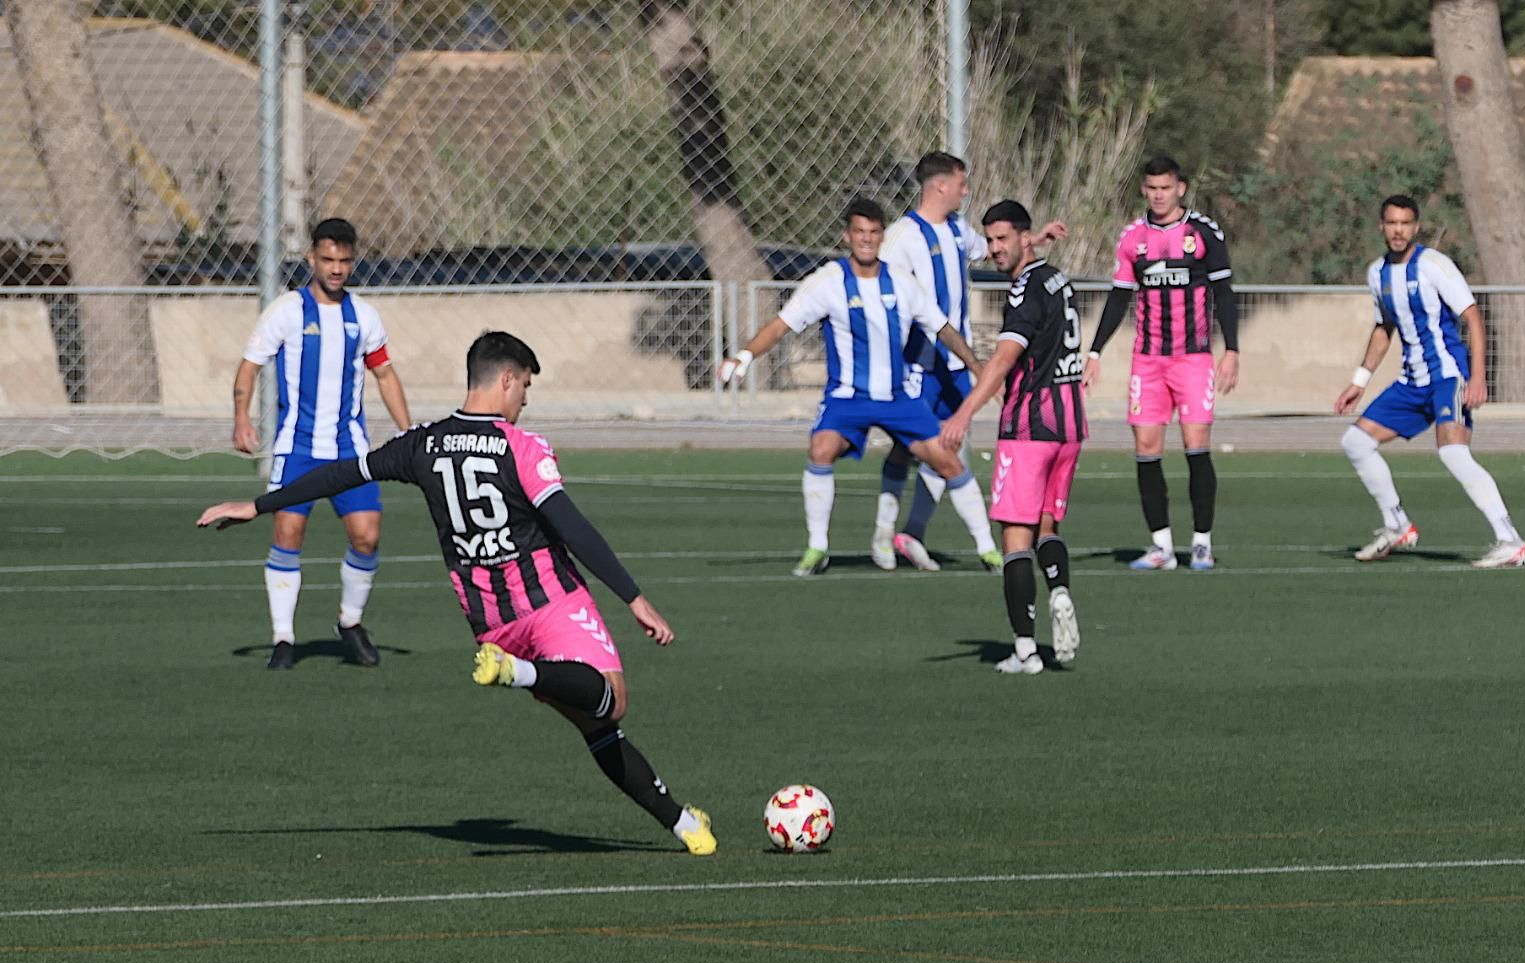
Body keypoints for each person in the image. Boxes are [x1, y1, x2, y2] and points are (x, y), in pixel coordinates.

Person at [199, 331, 718, 856]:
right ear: (507, 379)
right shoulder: (523, 447)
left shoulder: (421, 444)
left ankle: (683, 825)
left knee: (594, 724)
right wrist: (633, 596)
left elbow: (340, 473)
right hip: (550, 601)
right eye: (526, 387)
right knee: (611, 702)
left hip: (492, 622)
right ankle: (522, 674)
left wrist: (259, 505)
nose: (525, 400)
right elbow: (571, 525)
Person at [719, 197, 998, 576]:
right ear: (846, 236)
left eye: (873, 232)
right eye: (859, 232)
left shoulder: (902, 283)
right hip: (847, 398)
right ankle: (817, 548)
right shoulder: (827, 282)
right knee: (821, 448)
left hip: (898, 397)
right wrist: (745, 356)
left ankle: (988, 550)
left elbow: (943, 328)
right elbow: (780, 325)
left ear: (882, 236)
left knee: (949, 460)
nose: (866, 239)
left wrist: (978, 367)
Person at [232, 218, 413, 670]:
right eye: (327, 260)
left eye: (344, 261)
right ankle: (283, 639)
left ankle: (349, 622)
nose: (336, 269)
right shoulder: (287, 311)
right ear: (312, 258)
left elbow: (385, 373)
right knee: (288, 534)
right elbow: (250, 366)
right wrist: (241, 418)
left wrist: (408, 432)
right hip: (297, 450)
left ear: (353, 262)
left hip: (350, 451)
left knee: (367, 537)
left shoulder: (364, 317)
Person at [873, 152, 1065, 573]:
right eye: (962, 182)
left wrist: (1038, 237)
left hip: (957, 364)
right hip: (918, 363)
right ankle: (884, 536)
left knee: (950, 446)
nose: (967, 189)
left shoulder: (959, 228)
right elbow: (881, 294)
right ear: (941, 185)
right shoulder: (903, 236)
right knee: (909, 450)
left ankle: (913, 534)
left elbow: (995, 247)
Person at [1332, 194, 1525, 569]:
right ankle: (1397, 525)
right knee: (1355, 442)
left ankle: (1511, 540)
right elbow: (1383, 328)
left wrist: (1477, 377)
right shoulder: (1377, 273)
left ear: (1415, 227)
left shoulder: (1434, 265)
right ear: (1382, 227)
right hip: (1411, 382)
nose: (1398, 230)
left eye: (1405, 223)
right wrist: (1360, 380)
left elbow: (1472, 317)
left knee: (1454, 453)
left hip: (1448, 377)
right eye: (1391, 223)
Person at [941, 201, 1086, 675]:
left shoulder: (1024, 292)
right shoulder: (1056, 278)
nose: (994, 248)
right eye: (991, 240)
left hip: (1029, 427)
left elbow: (1004, 358)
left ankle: (1025, 651)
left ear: (1023, 238)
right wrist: (1035, 239)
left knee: (1015, 540)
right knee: (1048, 528)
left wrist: (964, 413)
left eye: (1003, 239)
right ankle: (1060, 590)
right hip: (1069, 425)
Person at [1083, 156, 1239, 571]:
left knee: (1195, 446)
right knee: (1146, 450)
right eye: (1151, 188)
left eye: (1165, 188)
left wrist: (1233, 350)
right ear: (1144, 190)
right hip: (1148, 361)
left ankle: (1201, 542)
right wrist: (1095, 351)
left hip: (1193, 359)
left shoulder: (1203, 233)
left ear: (1180, 189)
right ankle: (1161, 547)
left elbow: (1224, 294)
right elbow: (1118, 297)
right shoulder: (1133, 237)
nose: (1158, 195)